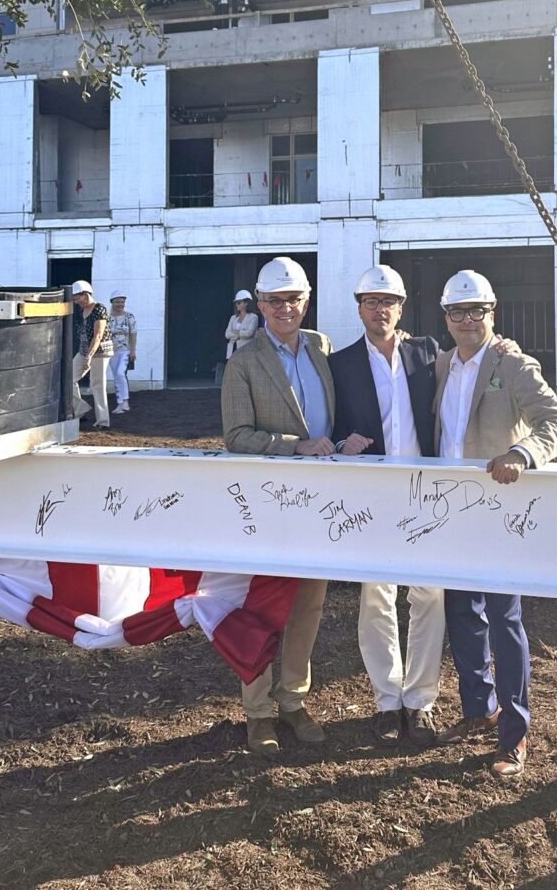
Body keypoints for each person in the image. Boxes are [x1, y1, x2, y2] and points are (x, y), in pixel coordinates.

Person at [433, 269, 557, 778]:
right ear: (446, 318)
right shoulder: (441, 364)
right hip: (450, 510)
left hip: (498, 510)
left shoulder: (513, 363)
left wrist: (522, 452)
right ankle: (479, 709)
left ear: (493, 313)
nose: (468, 320)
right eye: (458, 312)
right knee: (462, 613)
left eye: (478, 311)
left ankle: (515, 733)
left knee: (504, 619)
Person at [221, 256, 334, 757]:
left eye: (293, 299)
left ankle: (293, 700)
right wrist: (295, 445)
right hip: (270, 502)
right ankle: (258, 711)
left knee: (309, 605)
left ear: (306, 301)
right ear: (259, 305)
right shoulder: (243, 362)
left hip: (323, 503)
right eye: (274, 300)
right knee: (265, 607)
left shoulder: (322, 348)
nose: (285, 308)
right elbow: (236, 436)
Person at [329, 265, 443, 748]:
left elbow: (475, 361)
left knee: (430, 596)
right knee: (376, 598)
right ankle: (386, 700)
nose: (380, 309)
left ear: (401, 307)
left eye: (388, 301)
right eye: (371, 301)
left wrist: (506, 346)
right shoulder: (341, 363)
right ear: (359, 307)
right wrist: (340, 442)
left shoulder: (427, 353)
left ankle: (420, 701)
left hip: (424, 493)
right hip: (374, 494)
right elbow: (329, 421)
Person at [71, 280, 113, 429]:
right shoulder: (82, 310)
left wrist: (89, 356)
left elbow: (98, 335)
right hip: (84, 351)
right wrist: (85, 354)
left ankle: (103, 421)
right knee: (68, 379)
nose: (75, 301)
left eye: (76, 297)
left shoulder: (99, 309)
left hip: (100, 352)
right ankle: (80, 410)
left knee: (97, 384)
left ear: (85, 294)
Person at [107, 290, 137, 415]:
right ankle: (120, 403)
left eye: (122, 302)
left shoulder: (129, 317)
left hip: (125, 350)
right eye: (117, 302)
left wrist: (133, 350)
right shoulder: (108, 319)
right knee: (116, 377)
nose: (120, 304)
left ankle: (125, 400)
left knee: (120, 373)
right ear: (112, 302)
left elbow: (133, 334)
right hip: (112, 351)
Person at [225, 289, 258, 360]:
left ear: (246, 303)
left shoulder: (253, 317)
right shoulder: (233, 317)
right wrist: (239, 335)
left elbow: (249, 333)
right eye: (236, 303)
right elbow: (227, 334)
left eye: (239, 302)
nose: (237, 305)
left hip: (246, 351)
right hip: (232, 351)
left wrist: (236, 333)